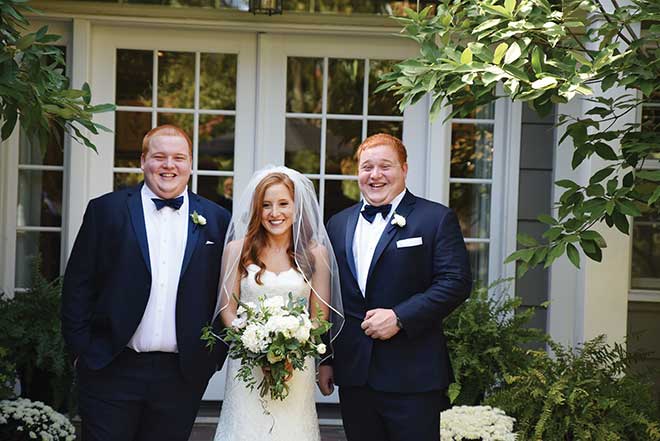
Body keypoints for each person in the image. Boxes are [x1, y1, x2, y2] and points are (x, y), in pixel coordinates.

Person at [61, 125, 231, 441]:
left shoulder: (219, 219)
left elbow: (226, 294)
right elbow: (78, 286)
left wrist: (212, 357)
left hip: (182, 375)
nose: (169, 165)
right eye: (159, 156)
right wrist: (82, 352)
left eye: (179, 157)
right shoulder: (106, 210)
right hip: (110, 367)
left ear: (190, 163)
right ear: (143, 161)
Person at [323, 133, 472, 441]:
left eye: (385, 166)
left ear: (404, 169)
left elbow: (455, 282)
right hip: (355, 376)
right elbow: (329, 296)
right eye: (367, 167)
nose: (375, 175)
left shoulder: (435, 218)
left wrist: (400, 317)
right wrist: (326, 359)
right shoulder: (337, 224)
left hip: (412, 376)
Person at [214, 166, 344, 441]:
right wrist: (255, 345)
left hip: (296, 366)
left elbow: (319, 317)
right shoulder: (237, 250)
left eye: (283, 203)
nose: (275, 213)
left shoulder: (316, 254)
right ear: (257, 209)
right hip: (247, 363)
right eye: (266, 205)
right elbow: (227, 309)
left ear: (297, 207)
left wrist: (288, 350)